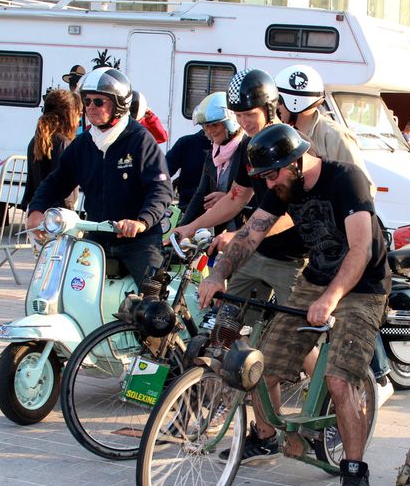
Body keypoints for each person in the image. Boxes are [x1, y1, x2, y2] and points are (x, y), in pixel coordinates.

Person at [197, 124, 391, 486]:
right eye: (264, 177)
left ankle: (354, 469)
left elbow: (360, 249)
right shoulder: (283, 186)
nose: (270, 183)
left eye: (273, 174)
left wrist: (332, 298)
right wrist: (218, 274)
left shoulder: (346, 180)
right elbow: (251, 236)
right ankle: (267, 436)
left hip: (363, 287)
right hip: (316, 279)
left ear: (298, 161)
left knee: (339, 381)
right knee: (260, 367)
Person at [26, 67, 173, 288]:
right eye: (87, 101)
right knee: (69, 290)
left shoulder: (140, 140)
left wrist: (142, 222)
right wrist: (36, 210)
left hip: (139, 242)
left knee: (153, 303)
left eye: (99, 101)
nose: (91, 107)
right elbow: (57, 180)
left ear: (119, 104)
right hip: (96, 238)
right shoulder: (84, 143)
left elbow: (160, 188)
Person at [173, 69, 308, 307]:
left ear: (269, 108)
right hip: (255, 253)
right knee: (226, 328)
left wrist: (238, 236)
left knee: (297, 337)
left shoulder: (291, 143)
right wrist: (190, 227)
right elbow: (235, 198)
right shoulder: (249, 145)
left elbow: (293, 214)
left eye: (249, 114)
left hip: (293, 258)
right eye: (238, 115)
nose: (244, 123)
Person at [274, 64, 372, 188]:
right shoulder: (282, 135)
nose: (276, 107)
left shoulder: (336, 137)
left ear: (295, 102)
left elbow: (363, 186)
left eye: (279, 101)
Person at [181, 92, 245, 230]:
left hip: (246, 231)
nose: (210, 131)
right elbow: (200, 196)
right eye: (206, 126)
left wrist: (229, 199)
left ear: (230, 123)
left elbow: (260, 197)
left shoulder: (246, 151)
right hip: (222, 232)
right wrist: (182, 228)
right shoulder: (213, 155)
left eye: (215, 125)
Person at [19, 88, 82, 213]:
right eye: (79, 114)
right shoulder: (62, 143)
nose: (79, 120)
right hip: (56, 216)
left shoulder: (37, 139)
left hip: (38, 210)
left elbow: (31, 183)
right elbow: (63, 185)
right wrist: (69, 212)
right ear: (69, 114)